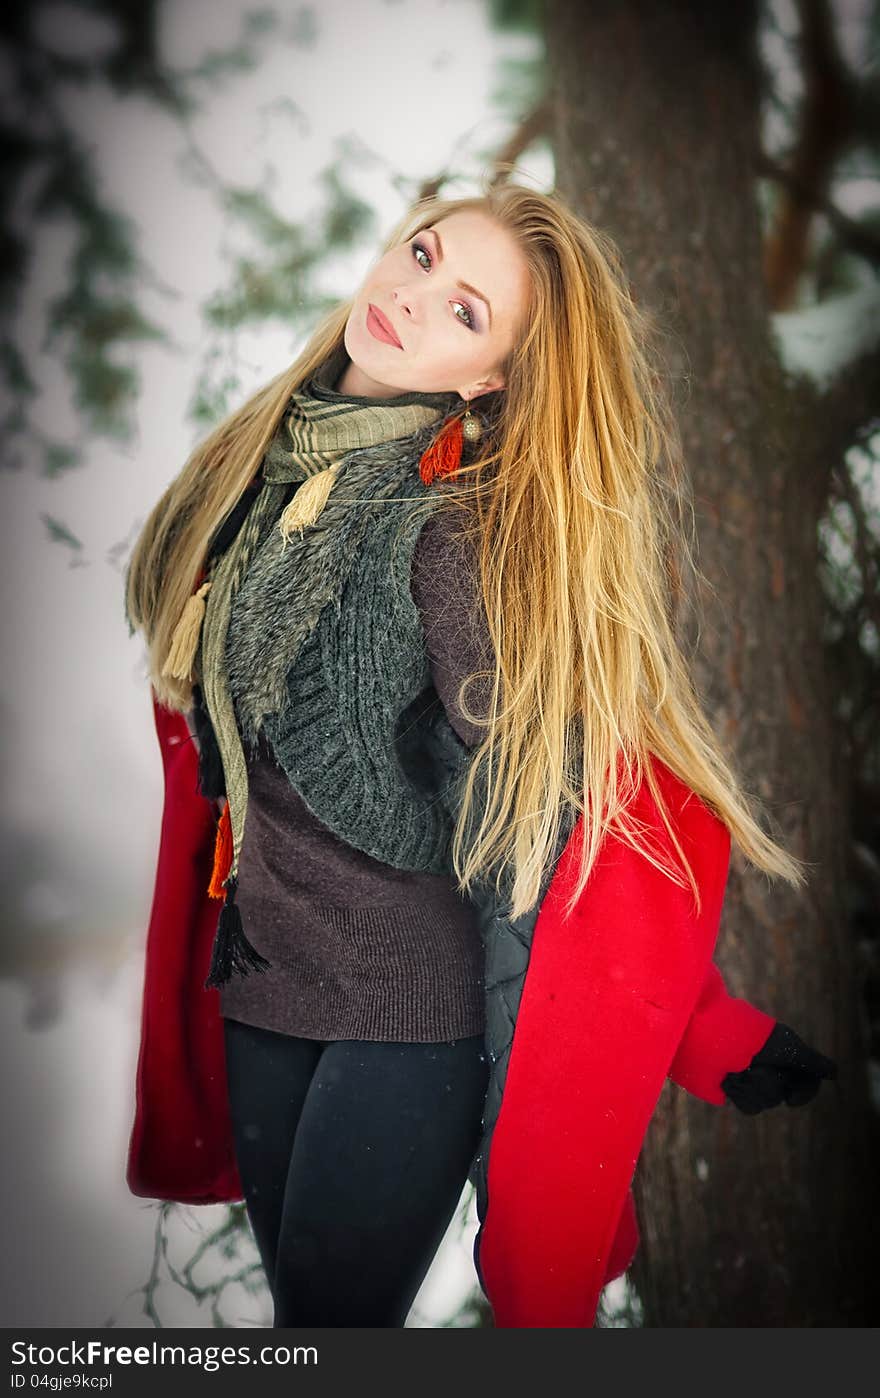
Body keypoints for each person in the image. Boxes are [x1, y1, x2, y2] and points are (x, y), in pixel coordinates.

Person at [123, 181, 837, 1329]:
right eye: (422, 256)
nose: (410, 297)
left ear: (486, 380)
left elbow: (550, 813)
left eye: (465, 312)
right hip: (265, 996)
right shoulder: (254, 484)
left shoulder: (444, 536)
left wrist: (702, 1029)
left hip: (408, 1018)